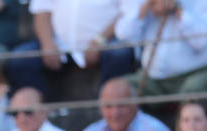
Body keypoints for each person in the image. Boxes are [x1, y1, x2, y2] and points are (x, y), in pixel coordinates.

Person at [8, 0, 136, 96]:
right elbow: (41, 12)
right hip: (59, 45)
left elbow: (128, 12)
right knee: (21, 58)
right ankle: (34, 115)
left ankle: (111, 111)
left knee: (119, 54)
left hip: (106, 42)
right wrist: (47, 43)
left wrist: (101, 40)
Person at [117, 0, 207, 101]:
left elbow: (202, 42)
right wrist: (147, 5)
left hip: (193, 74)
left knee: (194, 90)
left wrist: (178, 9)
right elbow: (124, 35)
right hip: (152, 77)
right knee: (117, 90)